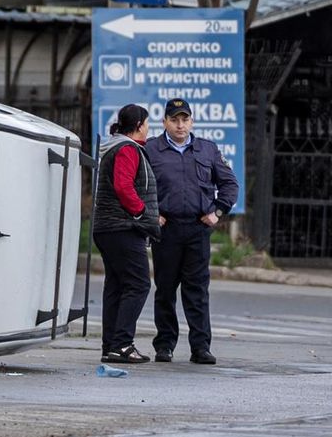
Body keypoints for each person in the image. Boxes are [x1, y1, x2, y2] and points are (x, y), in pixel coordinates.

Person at [146, 98, 238, 365]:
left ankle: (200, 347)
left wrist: (218, 212)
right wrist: (153, 213)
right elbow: (140, 185)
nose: (180, 125)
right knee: (165, 290)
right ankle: (165, 345)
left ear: (192, 122)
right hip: (167, 229)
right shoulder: (153, 149)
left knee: (197, 291)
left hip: (197, 229)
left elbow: (230, 184)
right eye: (174, 120)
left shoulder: (207, 150)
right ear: (164, 122)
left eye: (185, 119)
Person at [94, 104, 161, 364]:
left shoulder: (115, 147)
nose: (148, 127)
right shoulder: (127, 149)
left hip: (107, 227)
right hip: (122, 227)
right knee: (139, 283)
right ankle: (122, 343)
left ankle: (110, 345)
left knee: (117, 285)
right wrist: (141, 212)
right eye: (147, 123)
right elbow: (123, 186)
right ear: (138, 125)